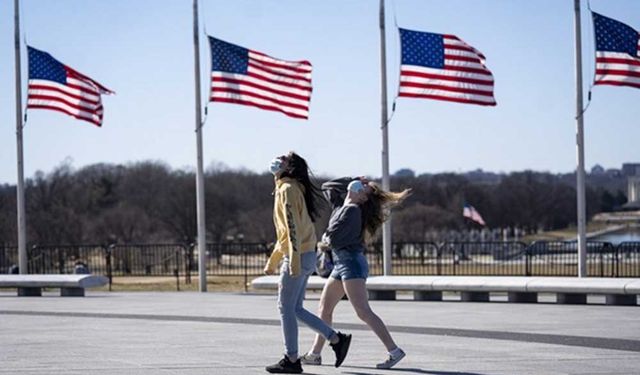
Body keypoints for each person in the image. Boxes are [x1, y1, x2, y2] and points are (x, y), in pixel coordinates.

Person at [301, 177, 411, 369]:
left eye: (363, 189)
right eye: (360, 186)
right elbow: (327, 187)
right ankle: (315, 354)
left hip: (351, 263)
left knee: (363, 311)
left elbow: (333, 237)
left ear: (363, 199)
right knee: (324, 309)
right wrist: (353, 180)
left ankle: (394, 351)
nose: (360, 188)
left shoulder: (352, 210)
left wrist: (327, 237)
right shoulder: (342, 204)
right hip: (340, 264)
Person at [263, 152, 351, 374]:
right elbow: (286, 232)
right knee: (296, 308)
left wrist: (290, 260)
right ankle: (336, 339)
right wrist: (274, 259)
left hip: (298, 255)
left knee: (285, 308)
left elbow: (292, 228)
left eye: (282, 158)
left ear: (289, 167)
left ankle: (292, 359)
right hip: (305, 254)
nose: (276, 160)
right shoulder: (290, 188)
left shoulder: (288, 190)